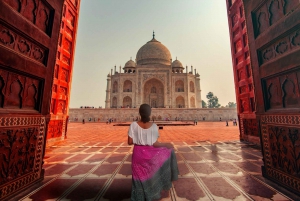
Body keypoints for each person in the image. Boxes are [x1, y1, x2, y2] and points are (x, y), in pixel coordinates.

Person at [128, 104, 179, 200]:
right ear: (150, 113)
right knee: (149, 175)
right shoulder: (154, 126)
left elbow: (129, 142)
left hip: (137, 154)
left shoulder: (133, 125)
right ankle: (150, 195)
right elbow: (156, 144)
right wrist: (166, 145)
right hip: (149, 154)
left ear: (139, 112)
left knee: (138, 178)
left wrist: (139, 140)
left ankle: (139, 197)